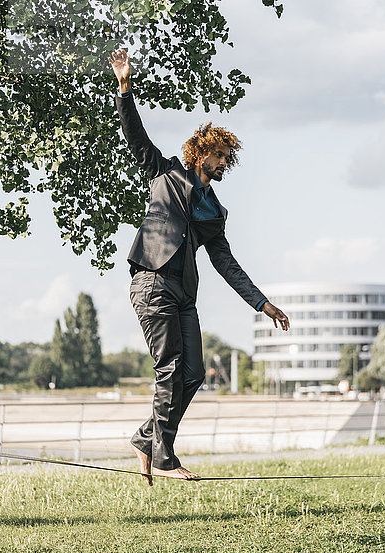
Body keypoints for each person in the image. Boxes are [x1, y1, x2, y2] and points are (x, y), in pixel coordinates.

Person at [109, 49, 290, 485]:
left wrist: (262, 303)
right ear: (201, 152)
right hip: (151, 280)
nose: (225, 163)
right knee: (170, 366)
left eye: (229, 158)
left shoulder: (216, 210)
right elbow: (136, 138)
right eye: (221, 155)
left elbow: (225, 262)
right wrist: (125, 88)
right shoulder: (167, 174)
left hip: (183, 292)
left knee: (193, 374)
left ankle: (146, 438)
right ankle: (164, 454)